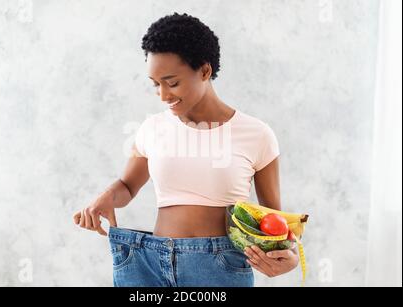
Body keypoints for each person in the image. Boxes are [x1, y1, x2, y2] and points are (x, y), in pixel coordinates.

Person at [74, 12, 299, 287]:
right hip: (149, 267)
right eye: (156, 84)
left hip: (219, 270)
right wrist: (107, 196)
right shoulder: (151, 128)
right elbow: (127, 186)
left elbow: (273, 221)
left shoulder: (257, 134)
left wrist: (289, 255)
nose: (163, 95)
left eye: (172, 82)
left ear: (204, 71)